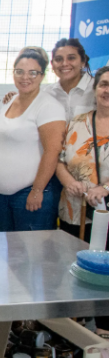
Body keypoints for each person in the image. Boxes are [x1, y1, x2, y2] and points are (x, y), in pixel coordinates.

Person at [0, 50, 65, 231]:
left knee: (32, 254)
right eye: (19, 71)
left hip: (31, 192)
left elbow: (52, 151)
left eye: (33, 72)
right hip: (2, 195)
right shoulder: (8, 101)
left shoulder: (48, 106)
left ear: (42, 75)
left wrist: (37, 190)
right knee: (11, 253)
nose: (25, 77)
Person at [57, 66, 109, 240]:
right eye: (104, 84)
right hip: (74, 211)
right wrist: (70, 182)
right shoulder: (77, 122)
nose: (107, 90)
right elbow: (60, 161)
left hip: (104, 214)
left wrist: (105, 189)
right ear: (95, 89)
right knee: (69, 262)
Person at [45, 38, 94, 121]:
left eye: (71, 58)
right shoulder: (47, 94)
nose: (64, 63)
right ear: (52, 64)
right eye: (58, 59)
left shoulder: (97, 89)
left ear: (83, 62)